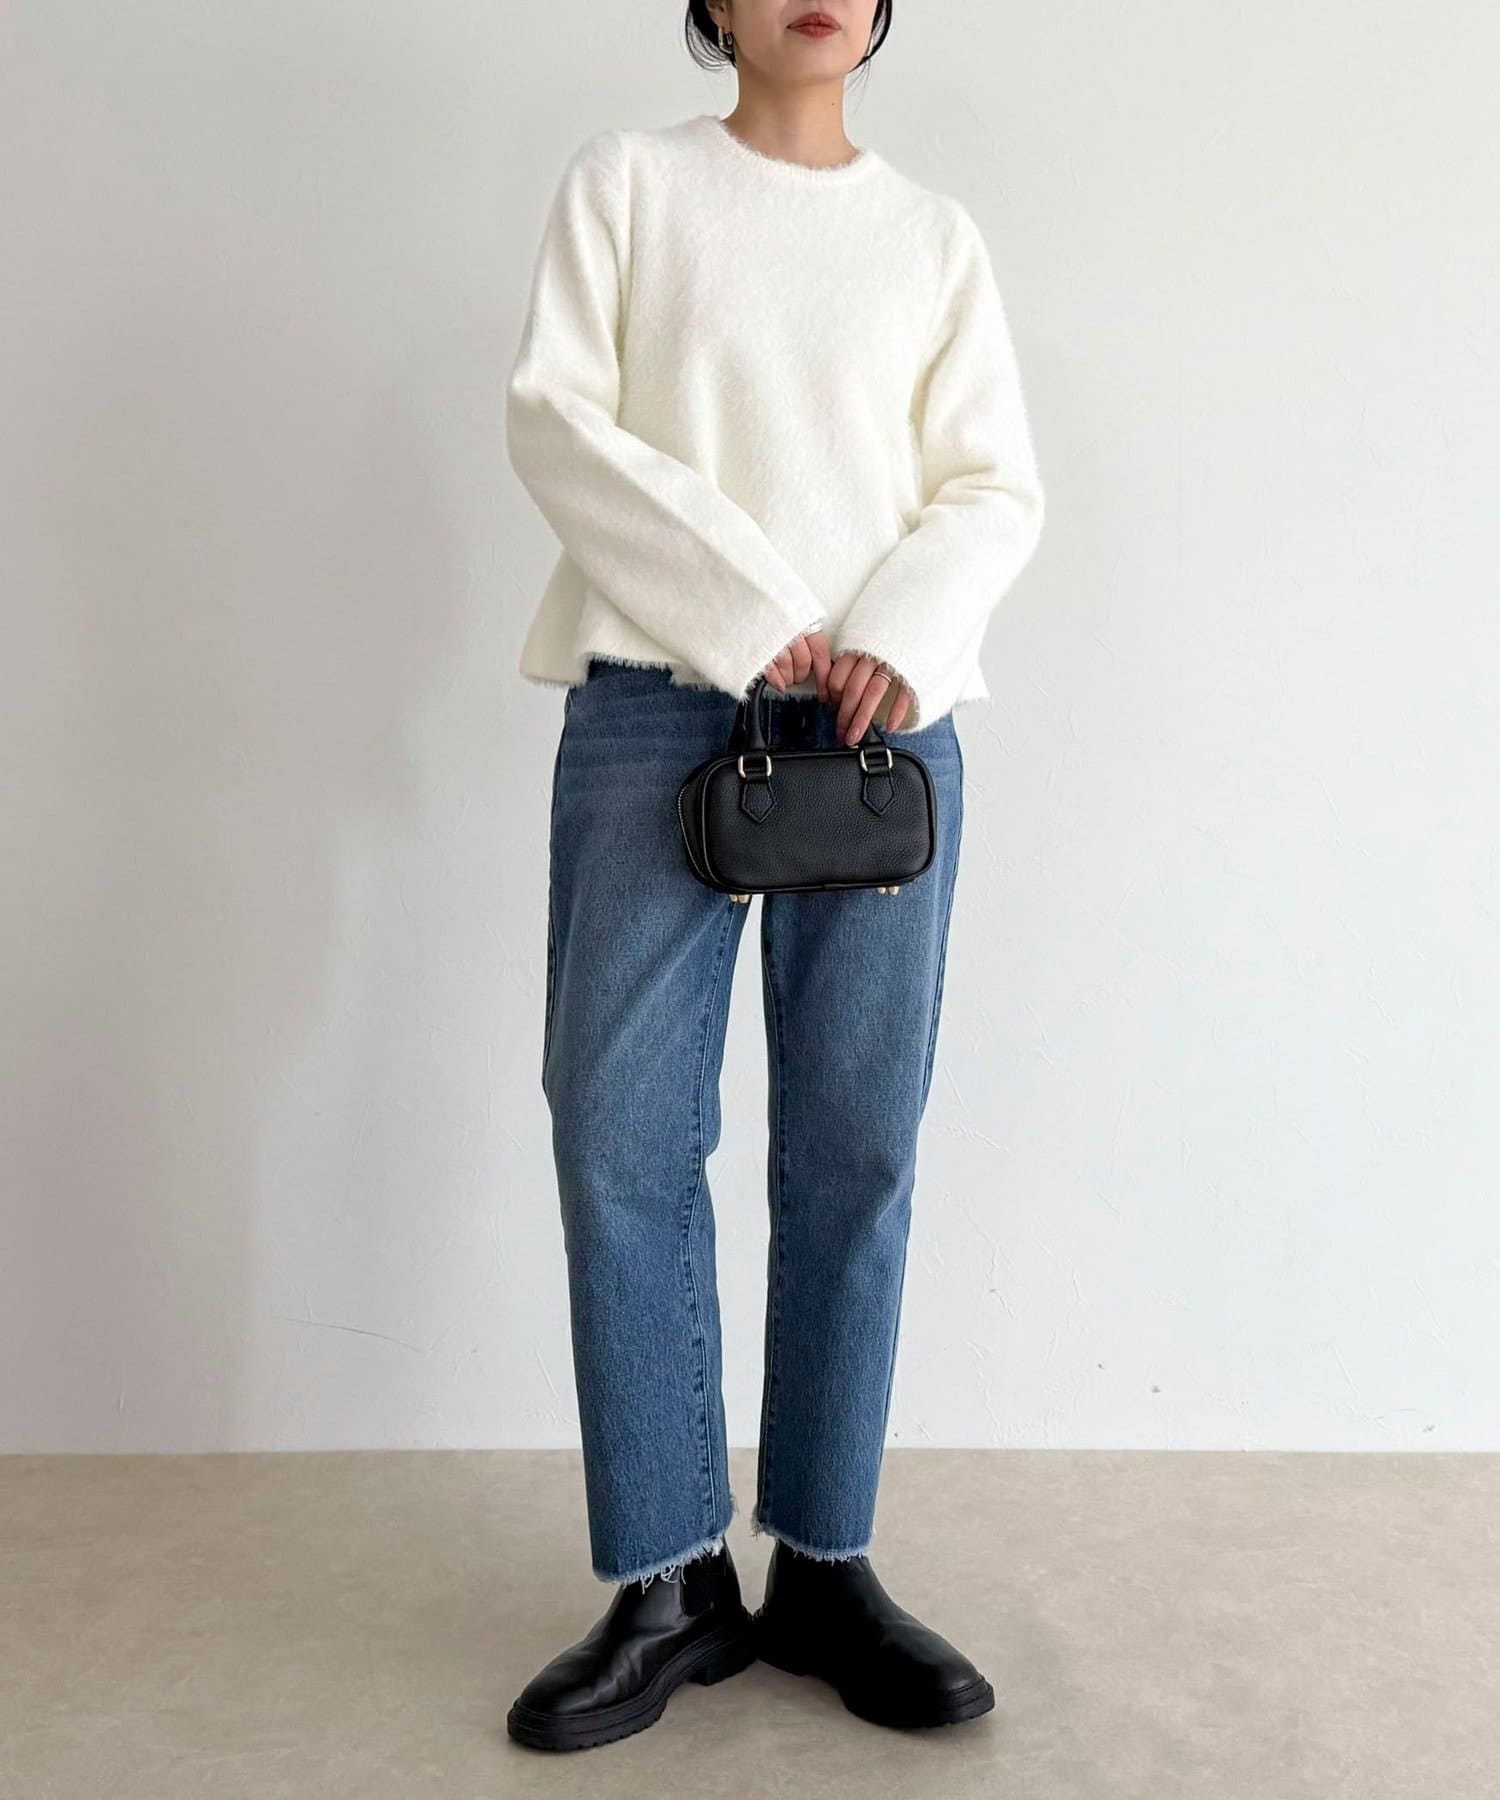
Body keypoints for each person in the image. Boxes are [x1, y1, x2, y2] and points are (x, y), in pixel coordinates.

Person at [502, 0, 1045, 1754]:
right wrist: (751, 619)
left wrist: (894, 637)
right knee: (618, 1132)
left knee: (856, 1147)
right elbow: (557, 422)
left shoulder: (932, 238)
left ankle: (823, 1562)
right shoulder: (628, 186)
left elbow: (993, 487)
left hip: (882, 728)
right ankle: (669, 1582)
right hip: (658, 708)